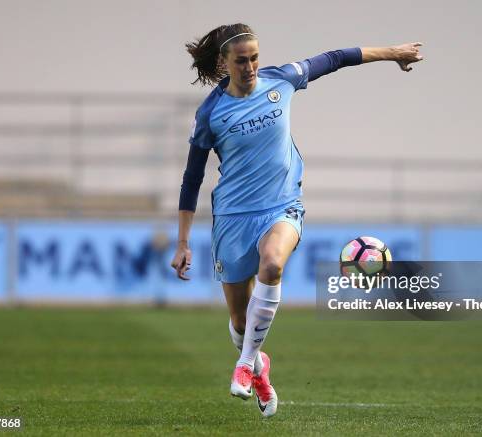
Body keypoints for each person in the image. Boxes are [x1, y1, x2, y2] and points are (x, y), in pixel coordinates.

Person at [171, 23, 423, 418]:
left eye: (255, 57)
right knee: (239, 323)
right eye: (242, 61)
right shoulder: (210, 114)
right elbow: (191, 180)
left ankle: (243, 364)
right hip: (233, 218)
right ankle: (258, 366)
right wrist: (183, 242)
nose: (251, 66)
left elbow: (336, 58)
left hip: (282, 206)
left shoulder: (282, 79)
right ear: (223, 63)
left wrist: (393, 52)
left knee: (273, 264)